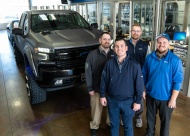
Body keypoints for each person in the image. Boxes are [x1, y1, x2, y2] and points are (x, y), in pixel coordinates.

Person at [100, 38, 144, 136]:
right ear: (114, 49)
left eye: (122, 46)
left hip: (129, 102)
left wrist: (138, 101)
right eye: (116, 46)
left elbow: (139, 85)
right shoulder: (109, 64)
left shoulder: (134, 65)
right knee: (114, 125)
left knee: (128, 126)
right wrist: (102, 95)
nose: (119, 48)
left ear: (126, 48)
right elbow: (103, 80)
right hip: (112, 101)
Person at [142, 33, 183, 136]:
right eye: (159, 42)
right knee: (150, 119)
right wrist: (143, 90)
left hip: (166, 98)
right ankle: (149, 133)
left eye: (164, 42)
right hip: (151, 95)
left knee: (165, 123)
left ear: (168, 44)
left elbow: (177, 81)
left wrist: (173, 99)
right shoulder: (150, 58)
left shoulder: (175, 60)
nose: (161, 44)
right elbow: (144, 74)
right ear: (156, 43)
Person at [85, 32, 115, 136]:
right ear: (100, 40)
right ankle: (94, 126)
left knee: (111, 109)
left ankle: (110, 124)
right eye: (104, 39)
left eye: (108, 39)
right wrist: (89, 87)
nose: (107, 41)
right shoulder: (92, 55)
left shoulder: (114, 53)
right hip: (96, 88)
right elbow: (88, 72)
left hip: (111, 88)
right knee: (96, 109)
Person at [125, 24, 151, 128]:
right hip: (127, 75)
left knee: (139, 96)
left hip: (141, 76)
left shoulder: (145, 45)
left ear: (141, 32)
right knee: (126, 95)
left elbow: (148, 62)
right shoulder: (125, 44)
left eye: (138, 31)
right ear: (130, 32)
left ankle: (138, 116)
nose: (136, 33)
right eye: (134, 31)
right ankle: (126, 115)